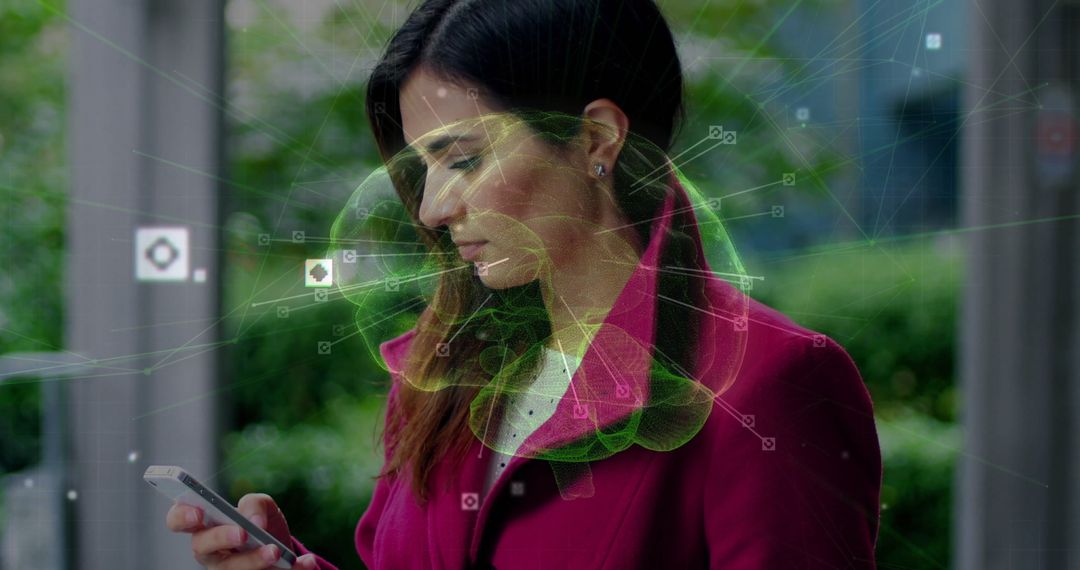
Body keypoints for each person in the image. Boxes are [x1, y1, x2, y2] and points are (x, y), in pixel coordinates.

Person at [166, 0, 882, 568]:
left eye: (463, 160)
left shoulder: (772, 384)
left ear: (596, 139)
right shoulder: (438, 370)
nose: (431, 208)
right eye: (422, 169)